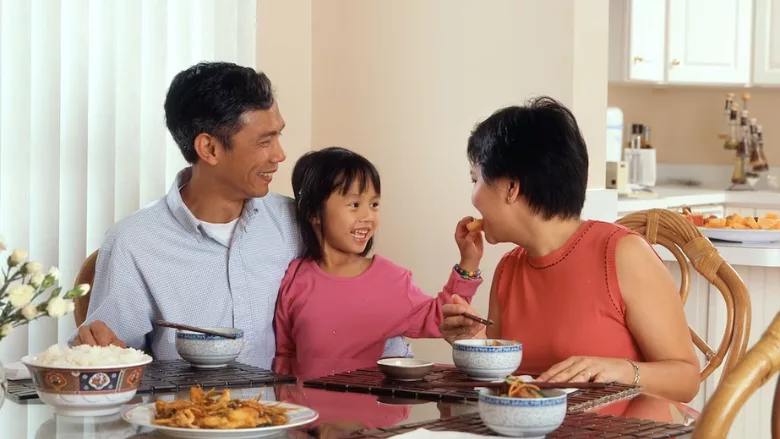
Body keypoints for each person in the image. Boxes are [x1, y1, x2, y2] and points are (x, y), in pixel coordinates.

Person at [72, 62, 411, 369]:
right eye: (265, 141)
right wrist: (99, 354)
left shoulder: (299, 221)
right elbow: (107, 360)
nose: (280, 155)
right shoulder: (135, 243)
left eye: (278, 135)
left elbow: (363, 300)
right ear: (210, 149)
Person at [439, 97, 700, 403]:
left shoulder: (623, 255)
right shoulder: (509, 268)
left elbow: (687, 379)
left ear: (512, 188)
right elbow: (509, 385)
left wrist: (618, 370)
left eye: (476, 179)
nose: (473, 197)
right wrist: (475, 342)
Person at [273, 147, 484, 379]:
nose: (368, 216)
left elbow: (442, 317)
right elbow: (285, 355)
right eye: (354, 205)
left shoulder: (392, 279)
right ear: (314, 212)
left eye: (374, 204)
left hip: (373, 411)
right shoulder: (295, 277)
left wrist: (468, 262)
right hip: (308, 412)